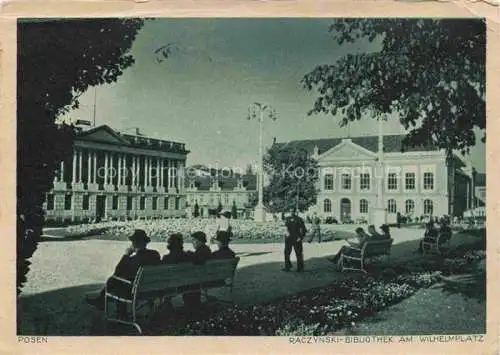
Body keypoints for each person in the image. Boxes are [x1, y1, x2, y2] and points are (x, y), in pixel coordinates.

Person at [85, 229, 161, 312]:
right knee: (117, 281)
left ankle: (118, 311)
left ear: (134, 244)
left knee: (113, 280)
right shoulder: (155, 254)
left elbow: (117, 271)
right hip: (151, 290)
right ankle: (101, 300)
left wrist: (126, 255)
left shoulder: (134, 259)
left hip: (135, 292)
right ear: (146, 243)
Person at [183, 231, 212, 309]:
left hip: (200, 279)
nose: (192, 242)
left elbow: (196, 261)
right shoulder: (206, 249)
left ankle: (191, 305)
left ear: (199, 240)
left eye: (193, 240)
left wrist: (188, 254)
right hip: (209, 277)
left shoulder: (201, 251)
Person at [283, 208, 307, 272]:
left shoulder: (299, 219)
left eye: (293, 211)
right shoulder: (287, 219)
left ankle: (300, 268)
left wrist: (301, 237)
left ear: (295, 212)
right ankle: (287, 267)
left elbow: (304, 230)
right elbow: (286, 228)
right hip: (288, 238)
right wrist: (286, 232)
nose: (291, 212)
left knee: (298, 253)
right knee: (286, 253)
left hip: (296, 238)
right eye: (290, 211)